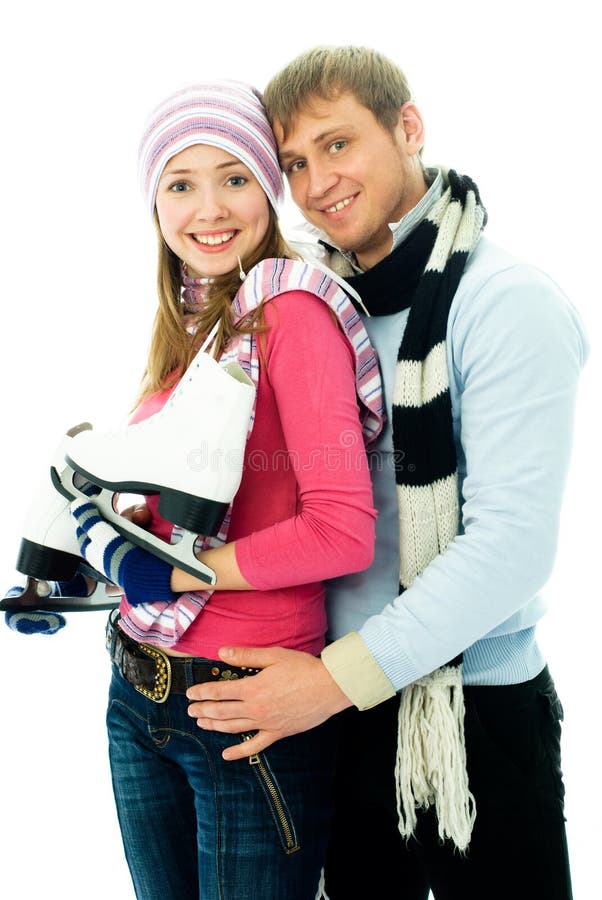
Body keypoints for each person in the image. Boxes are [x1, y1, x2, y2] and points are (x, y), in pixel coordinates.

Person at [184, 48, 589, 900]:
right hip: (333, 706)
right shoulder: (321, 306)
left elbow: (512, 547)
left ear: (407, 128)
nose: (318, 182)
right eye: (294, 162)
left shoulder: (503, 302)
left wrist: (334, 681)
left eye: (338, 145)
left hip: (467, 717)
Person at [7, 80, 384, 900]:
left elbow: (341, 533)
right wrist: (103, 543)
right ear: (155, 202)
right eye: (181, 183)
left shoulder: (290, 314)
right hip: (136, 693)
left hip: (244, 709)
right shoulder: (194, 327)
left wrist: (172, 573)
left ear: (266, 185)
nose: (209, 208)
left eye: (235, 176)